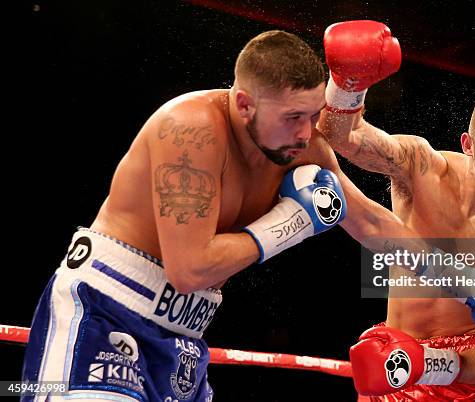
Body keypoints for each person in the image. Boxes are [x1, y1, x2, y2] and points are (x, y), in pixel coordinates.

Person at [21, 30, 406, 402]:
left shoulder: (301, 147)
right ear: (244, 105)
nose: (306, 133)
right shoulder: (191, 130)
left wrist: (461, 277)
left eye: (312, 115)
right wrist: (294, 222)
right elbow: (189, 270)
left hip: (184, 338)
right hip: (106, 311)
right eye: (292, 117)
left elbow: (372, 223)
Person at [318, 20, 475, 401]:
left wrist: (427, 362)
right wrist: (349, 83)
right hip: (395, 361)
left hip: (473, 383)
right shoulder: (421, 168)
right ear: (468, 144)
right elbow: (342, 136)